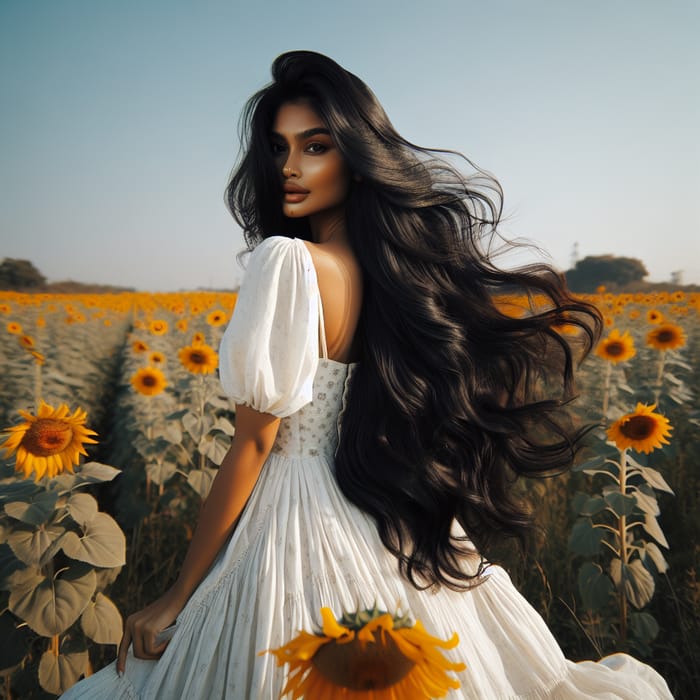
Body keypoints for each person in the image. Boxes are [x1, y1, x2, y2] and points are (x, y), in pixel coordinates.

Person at [62, 51, 672, 699]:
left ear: (355, 156)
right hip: (384, 506)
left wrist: (177, 594)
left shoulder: (288, 262)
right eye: (277, 148)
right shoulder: (396, 275)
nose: (290, 167)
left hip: (293, 515)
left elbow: (257, 440)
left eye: (315, 146)